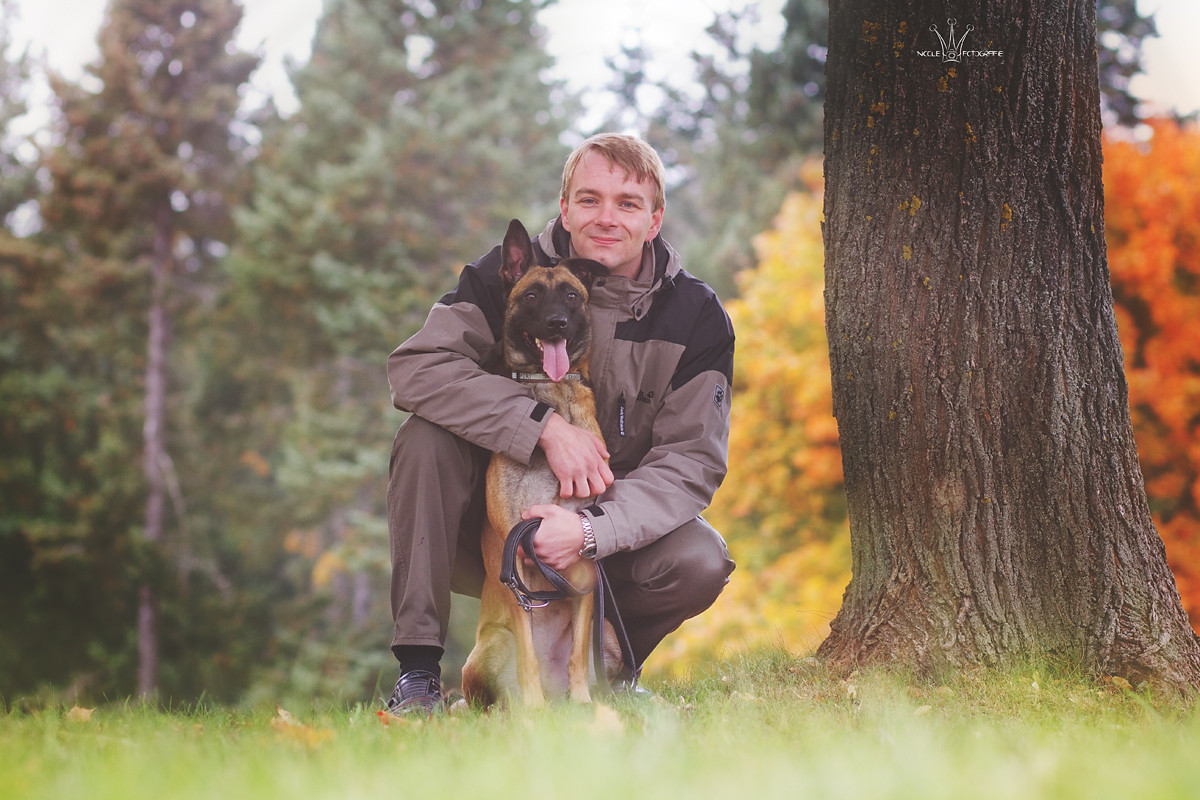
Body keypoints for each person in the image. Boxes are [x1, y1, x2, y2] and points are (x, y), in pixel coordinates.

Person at [384, 133, 736, 713]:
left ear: (654, 220)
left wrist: (592, 529)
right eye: (589, 199)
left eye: (627, 203)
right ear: (565, 207)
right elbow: (417, 370)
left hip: (609, 530)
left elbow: (690, 463)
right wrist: (541, 427)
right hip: (493, 529)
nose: (605, 217)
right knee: (424, 438)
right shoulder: (507, 277)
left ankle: (601, 674)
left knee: (700, 559)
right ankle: (419, 675)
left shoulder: (694, 316)